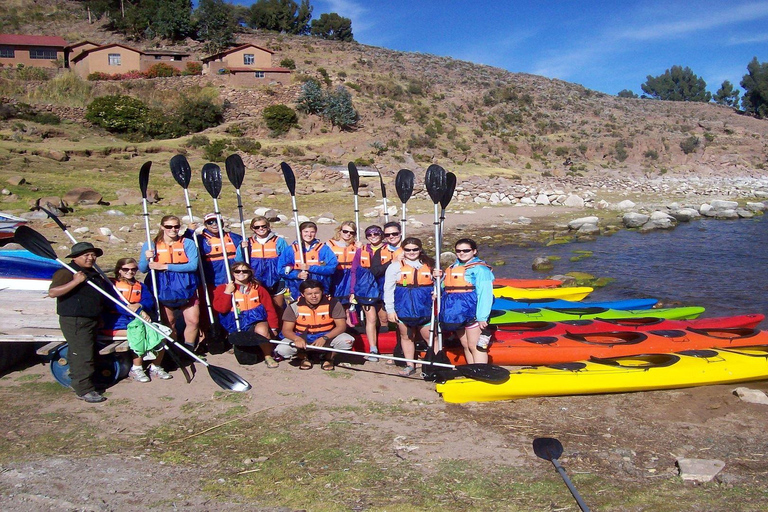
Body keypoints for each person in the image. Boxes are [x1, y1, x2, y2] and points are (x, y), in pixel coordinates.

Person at [48, 242, 110, 403]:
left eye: (93, 255)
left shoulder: (92, 272)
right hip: (75, 320)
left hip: (91, 319)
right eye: (86, 255)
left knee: (86, 352)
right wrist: (75, 282)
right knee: (82, 354)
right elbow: (53, 292)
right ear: (75, 257)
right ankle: (84, 390)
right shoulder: (66, 272)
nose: (91, 258)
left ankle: (84, 382)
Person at [102, 258, 172, 383]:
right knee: (139, 333)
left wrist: (139, 306)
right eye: (126, 269)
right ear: (119, 270)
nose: (130, 272)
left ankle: (156, 366)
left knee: (161, 333)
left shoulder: (140, 286)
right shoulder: (111, 285)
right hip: (114, 323)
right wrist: (137, 311)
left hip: (135, 320)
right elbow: (112, 304)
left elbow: (148, 300)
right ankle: (136, 368)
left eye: (133, 269)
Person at [139, 215, 200, 348]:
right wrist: (146, 258)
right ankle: (174, 348)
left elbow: (193, 265)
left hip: (186, 285)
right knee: (169, 322)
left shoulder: (187, 243)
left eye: (176, 226)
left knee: (193, 321)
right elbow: (143, 269)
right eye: (169, 226)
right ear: (162, 227)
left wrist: (165, 266)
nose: (173, 229)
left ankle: (189, 349)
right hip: (162, 287)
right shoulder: (151, 244)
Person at [383, 237, 435, 376]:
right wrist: (390, 310)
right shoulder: (395, 266)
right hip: (403, 307)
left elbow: (439, 285)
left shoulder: (430, 265)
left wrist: (438, 284)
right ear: (403, 250)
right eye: (408, 250)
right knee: (406, 336)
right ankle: (409, 365)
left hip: (424, 308)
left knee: (431, 337)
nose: (411, 252)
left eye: (415, 249)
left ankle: (435, 363)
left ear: (420, 249)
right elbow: (388, 288)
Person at [212, 262, 280, 368]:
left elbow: (269, 308)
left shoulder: (258, 289)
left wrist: (274, 327)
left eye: (244, 271)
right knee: (245, 357)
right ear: (232, 273)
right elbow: (221, 308)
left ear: (249, 273)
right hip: (235, 321)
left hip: (255, 318)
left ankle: (268, 356)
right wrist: (227, 293)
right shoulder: (223, 288)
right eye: (237, 271)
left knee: (262, 330)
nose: (241, 273)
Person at [277, 279, 355, 371]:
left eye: (317, 293)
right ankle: (305, 357)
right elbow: (286, 330)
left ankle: (328, 357)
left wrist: (325, 338)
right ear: (302, 294)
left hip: (327, 336)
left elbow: (341, 326)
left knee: (347, 340)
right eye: (309, 294)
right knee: (282, 349)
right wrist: (296, 338)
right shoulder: (294, 306)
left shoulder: (333, 304)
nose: (314, 296)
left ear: (322, 292)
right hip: (303, 337)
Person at [439, 239, 495, 364]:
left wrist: (482, 317)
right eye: (458, 251)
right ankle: (472, 369)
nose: (462, 253)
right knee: (465, 344)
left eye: (466, 250)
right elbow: (445, 286)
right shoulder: (453, 267)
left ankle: (480, 370)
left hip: (472, 311)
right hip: (456, 311)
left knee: (475, 345)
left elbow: (485, 294)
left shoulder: (481, 270)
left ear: (474, 251)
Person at [349, 225, 388, 361]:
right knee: (371, 318)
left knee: (384, 318)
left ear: (381, 234)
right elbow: (354, 271)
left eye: (376, 233)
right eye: (369, 235)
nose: (373, 236)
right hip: (366, 288)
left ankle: (388, 343)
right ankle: (373, 349)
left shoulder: (389, 249)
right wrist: (353, 291)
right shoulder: (362, 251)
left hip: (384, 287)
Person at [279, 221, 338, 301]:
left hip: (319, 289)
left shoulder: (324, 249)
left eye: (312, 232)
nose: (309, 235)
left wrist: (310, 268)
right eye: (306, 231)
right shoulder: (291, 250)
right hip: (297, 289)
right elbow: (281, 270)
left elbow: (331, 268)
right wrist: (297, 275)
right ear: (300, 232)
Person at [245, 216, 290, 311]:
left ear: (268, 226)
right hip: (256, 280)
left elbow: (287, 261)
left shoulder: (279, 241)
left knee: (278, 308)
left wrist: (285, 278)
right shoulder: (247, 243)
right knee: (261, 308)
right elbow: (240, 261)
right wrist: (242, 248)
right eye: (257, 227)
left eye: (263, 226)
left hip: (277, 280)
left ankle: (278, 326)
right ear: (252, 228)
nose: (260, 229)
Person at [188, 212, 244, 287]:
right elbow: (183, 245)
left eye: (217, 221)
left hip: (235, 280)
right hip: (212, 282)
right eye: (210, 222)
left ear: (222, 224)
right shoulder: (199, 240)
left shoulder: (235, 238)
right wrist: (189, 232)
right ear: (205, 225)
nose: (214, 224)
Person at [326, 221, 358, 323]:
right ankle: (336, 323)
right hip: (335, 275)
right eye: (345, 231)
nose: (348, 234)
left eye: (351, 232)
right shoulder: (329, 244)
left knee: (349, 302)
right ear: (340, 231)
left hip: (350, 275)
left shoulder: (356, 245)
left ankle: (350, 323)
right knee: (335, 301)